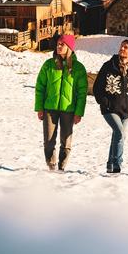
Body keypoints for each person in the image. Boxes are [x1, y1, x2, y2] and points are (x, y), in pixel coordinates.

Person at [35, 34, 88, 172]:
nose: (58, 46)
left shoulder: (78, 68)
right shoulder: (48, 65)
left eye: (62, 44)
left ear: (69, 47)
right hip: (49, 109)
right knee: (48, 141)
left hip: (69, 110)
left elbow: (82, 93)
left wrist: (78, 112)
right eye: (58, 44)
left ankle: (62, 167)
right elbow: (40, 87)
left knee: (66, 141)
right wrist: (39, 108)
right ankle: (51, 166)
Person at [93, 39, 128, 173]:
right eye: (121, 46)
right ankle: (117, 165)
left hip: (126, 110)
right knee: (120, 133)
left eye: (125, 47)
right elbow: (97, 87)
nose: (122, 49)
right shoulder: (108, 65)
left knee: (117, 136)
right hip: (110, 109)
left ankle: (109, 165)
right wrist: (104, 102)